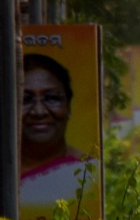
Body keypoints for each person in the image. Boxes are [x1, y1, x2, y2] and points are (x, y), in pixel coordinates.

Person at [20, 53, 100, 209]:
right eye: (25, 99)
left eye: (51, 98)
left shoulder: (89, 172)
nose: (39, 111)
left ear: (68, 107)